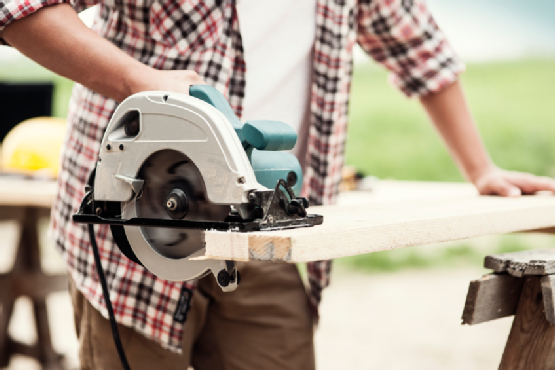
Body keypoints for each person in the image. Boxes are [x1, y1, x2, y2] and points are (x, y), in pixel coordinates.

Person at [2, 0, 555, 369]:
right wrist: (138, 80)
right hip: (141, 229)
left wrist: (481, 168)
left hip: (273, 227)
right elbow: (18, 8)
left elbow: (422, 52)